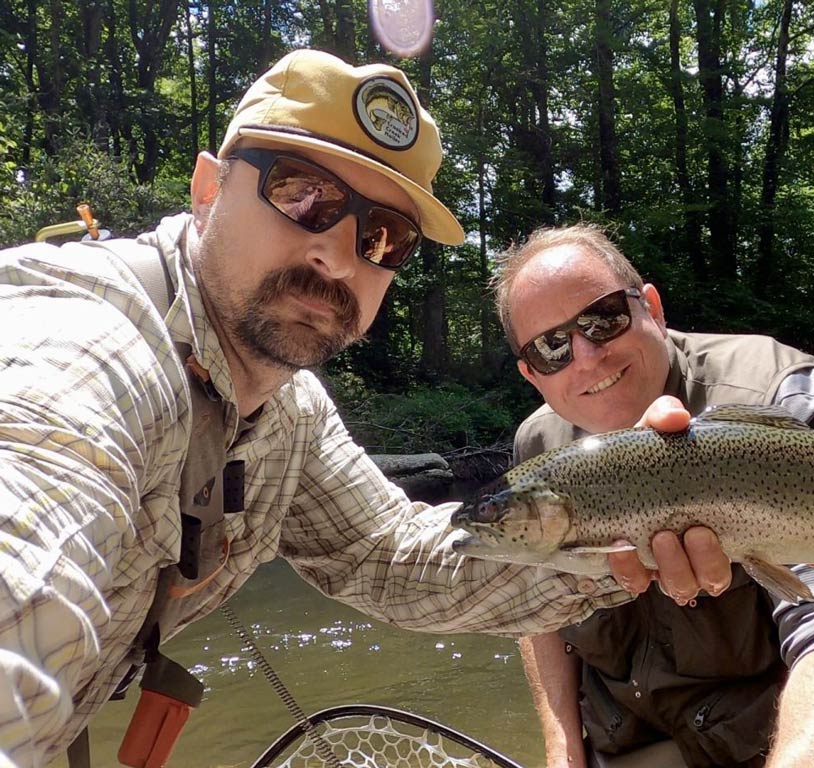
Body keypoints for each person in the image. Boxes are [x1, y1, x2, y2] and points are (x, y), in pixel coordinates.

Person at [0, 50, 692, 766]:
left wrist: (616, 546)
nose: (337, 253)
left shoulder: (289, 410)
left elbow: (392, 558)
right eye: (302, 194)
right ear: (207, 188)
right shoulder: (87, 341)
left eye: (383, 235)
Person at [493, 223, 814, 768]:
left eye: (602, 318)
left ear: (650, 306)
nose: (585, 355)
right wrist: (562, 752)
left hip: (810, 705)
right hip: (655, 734)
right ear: (531, 373)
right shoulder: (539, 451)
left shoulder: (777, 391)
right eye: (552, 346)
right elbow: (540, 610)